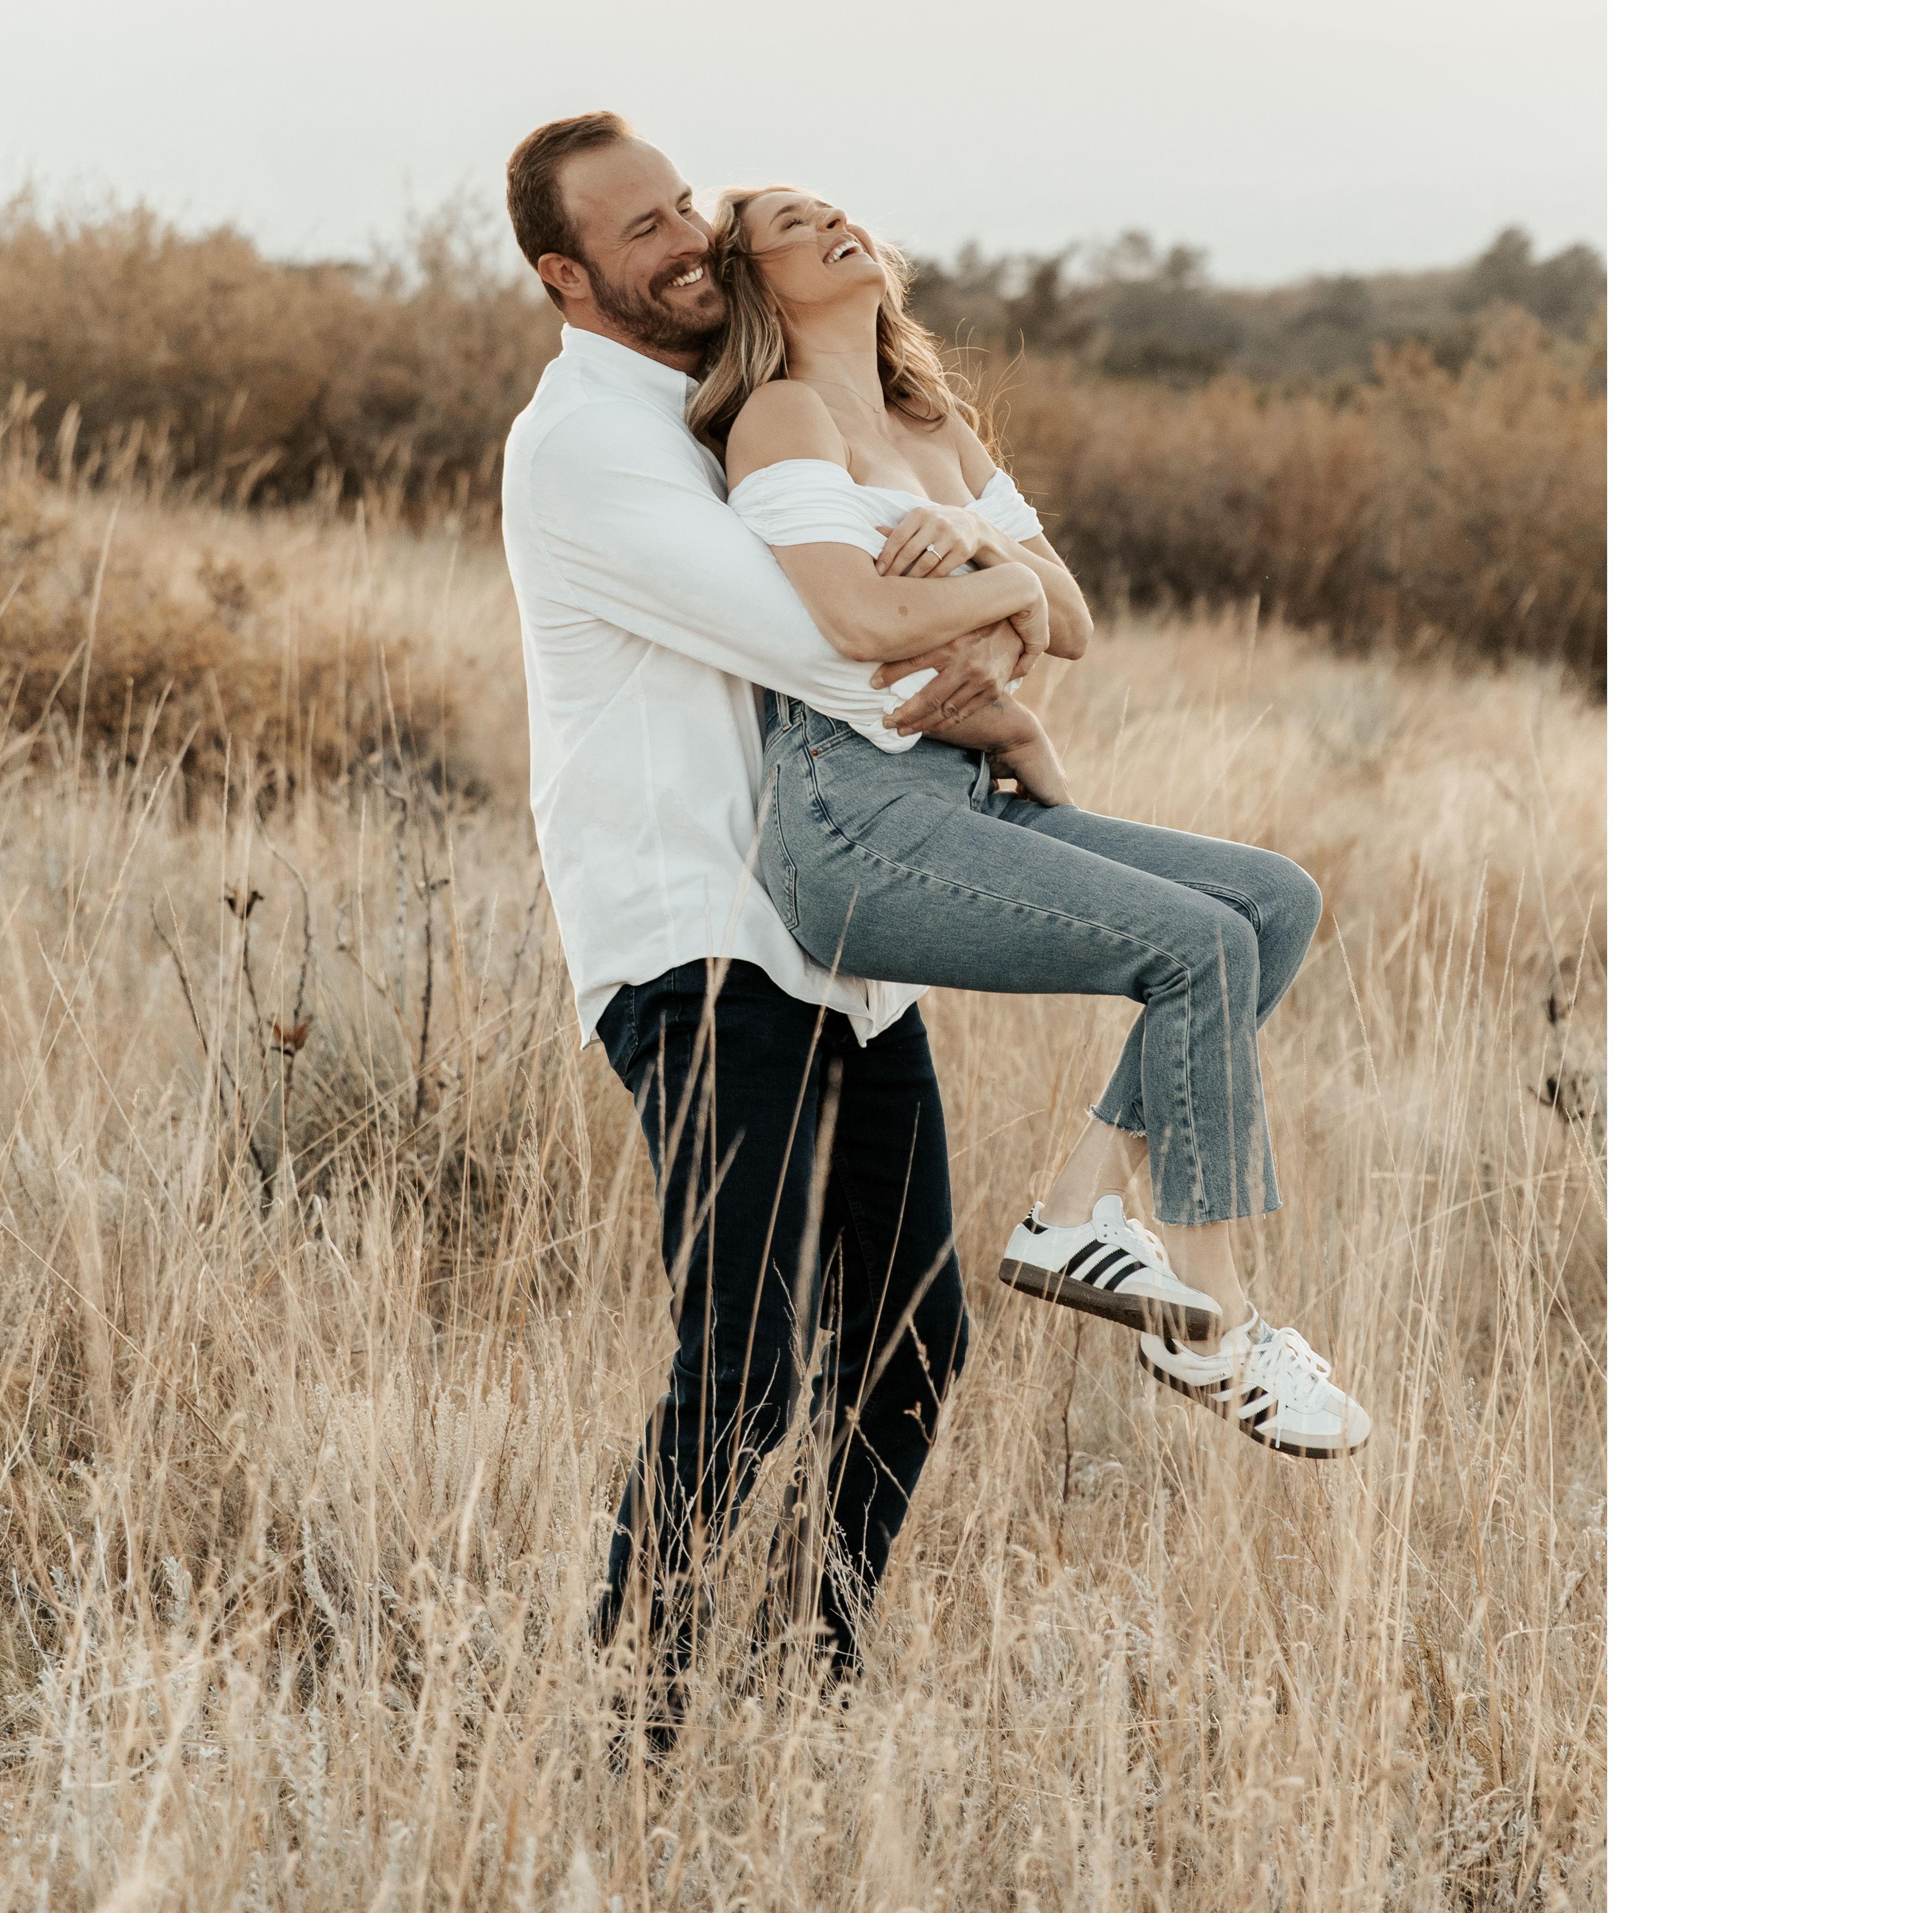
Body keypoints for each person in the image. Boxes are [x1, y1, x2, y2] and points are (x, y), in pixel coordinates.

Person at [692, 184, 1371, 1462]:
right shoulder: (781, 416)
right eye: (789, 223)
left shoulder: (929, 423)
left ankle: (1075, 1210)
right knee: (1199, 947)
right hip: (846, 817)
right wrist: (999, 585)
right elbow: (860, 621)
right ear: (756, 282)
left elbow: (1074, 621)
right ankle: (1215, 1326)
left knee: (1270, 901)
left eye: (831, 206)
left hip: (953, 788)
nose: (831, 221)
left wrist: (976, 554)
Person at [497, 113, 1028, 1717]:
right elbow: (853, 654)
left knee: (911, 1344)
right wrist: (1005, 593)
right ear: (564, 275)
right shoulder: (590, 448)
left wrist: (969, 577)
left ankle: (811, 1675)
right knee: (746, 1361)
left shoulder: (733, 414)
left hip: (841, 945)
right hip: (702, 944)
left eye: (683, 205)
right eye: (640, 230)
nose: (688, 242)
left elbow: (932, 625)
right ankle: (632, 1716)